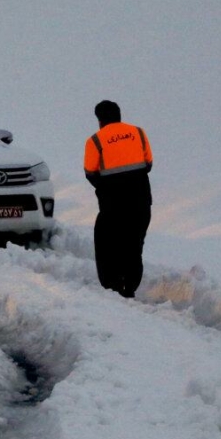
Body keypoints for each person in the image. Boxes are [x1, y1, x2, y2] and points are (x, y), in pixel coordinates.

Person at [83, 100, 153, 298]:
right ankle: (130, 286)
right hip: (141, 201)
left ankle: (113, 285)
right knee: (134, 243)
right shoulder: (139, 133)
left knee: (108, 243)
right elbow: (148, 164)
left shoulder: (95, 141)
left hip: (112, 205)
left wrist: (108, 187)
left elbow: (90, 172)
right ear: (119, 115)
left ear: (99, 120)